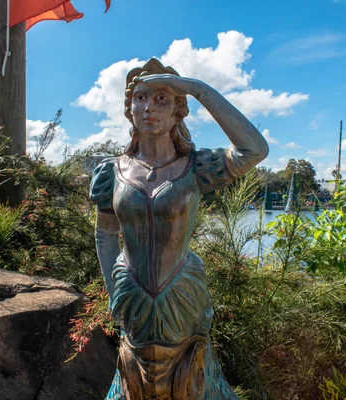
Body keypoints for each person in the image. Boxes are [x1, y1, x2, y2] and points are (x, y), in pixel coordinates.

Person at [90, 58, 269, 399]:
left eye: (162, 98)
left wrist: (198, 88)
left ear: (177, 111)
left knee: (190, 377)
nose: (148, 107)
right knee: (135, 380)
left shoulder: (196, 167)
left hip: (183, 293)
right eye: (140, 98)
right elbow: (105, 234)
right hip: (132, 293)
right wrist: (115, 293)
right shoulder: (111, 173)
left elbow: (255, 149)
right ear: (129, 109)